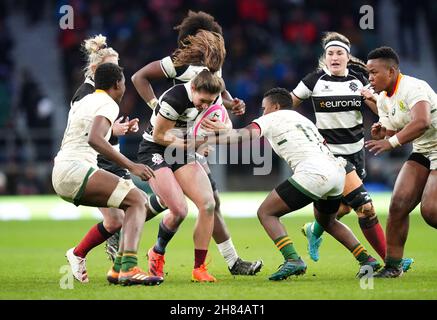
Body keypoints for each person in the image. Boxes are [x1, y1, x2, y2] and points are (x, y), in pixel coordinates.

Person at [199, 87, 381, 280]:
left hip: (314, 172)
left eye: (264, 108)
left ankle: (292, 259)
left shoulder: (272, 117)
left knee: (266, 213)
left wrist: (214, 134)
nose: (262, 113)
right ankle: (366, 259)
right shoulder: (303, 120)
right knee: (327, 221)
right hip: (336, 172)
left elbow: (241, 137)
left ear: (275, 106)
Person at [131, 11, 262, 276]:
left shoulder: (214, 69)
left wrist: (231, 106)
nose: (215, 43)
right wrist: (158, 107)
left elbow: (215, 97)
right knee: (177, 206)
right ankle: (128, 224)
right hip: (165, 139)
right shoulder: (176, 65)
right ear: (193, 40)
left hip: (187, 140)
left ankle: (228, 262)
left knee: (208, 201)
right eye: (211, 38)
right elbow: (138, 78)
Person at [290, 32, 413, 271]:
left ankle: (313, 229)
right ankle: (391, 261)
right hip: (330, 158)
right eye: (330, 53)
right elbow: (288, 104)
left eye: (339, 53)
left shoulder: (359, 80)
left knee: (343, 208)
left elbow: (383, 112)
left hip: (356, 154)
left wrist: (370, 98)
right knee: (365, 208)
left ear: (347, 57)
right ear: (324, 58)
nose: (334, 57)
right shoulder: (313, 81)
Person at [64, 35, 165, 284]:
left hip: (104, 158)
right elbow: (87, 133)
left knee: (119, 217)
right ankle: (121, 265)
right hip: (96, 161)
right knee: (130, 208)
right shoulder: (87, 95)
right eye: (113, 65)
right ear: (99, 70)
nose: (118, 70)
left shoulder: (101, 97)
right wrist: (116, 138)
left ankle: (114, 264)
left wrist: (118, 131)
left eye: (118, 64)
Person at [137, 69, 227, 282]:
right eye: (203, 101)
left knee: (208, 204)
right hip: (154, 149)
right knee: (179, 210)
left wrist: (223, 127)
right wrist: (192, 146)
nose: (205, 106)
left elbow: (226, 122)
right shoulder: (174, 98)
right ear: (193, 88)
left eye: (210, 102)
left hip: (182, 150)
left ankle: (199, 268)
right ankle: (157, 252)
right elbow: (159, 136)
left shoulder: (210, 96)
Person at [365, 47, 437, 278]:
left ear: (392, 71)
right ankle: (393, 266)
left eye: (374, 72)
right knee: (398, 204)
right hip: (423, 150)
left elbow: (422, 122)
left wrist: (392, 142)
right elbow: (396, 127)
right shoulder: (384, 99)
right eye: (368, 74)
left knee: (431, 211)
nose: (370, 78)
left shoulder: (414, 87)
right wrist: (383, 131)